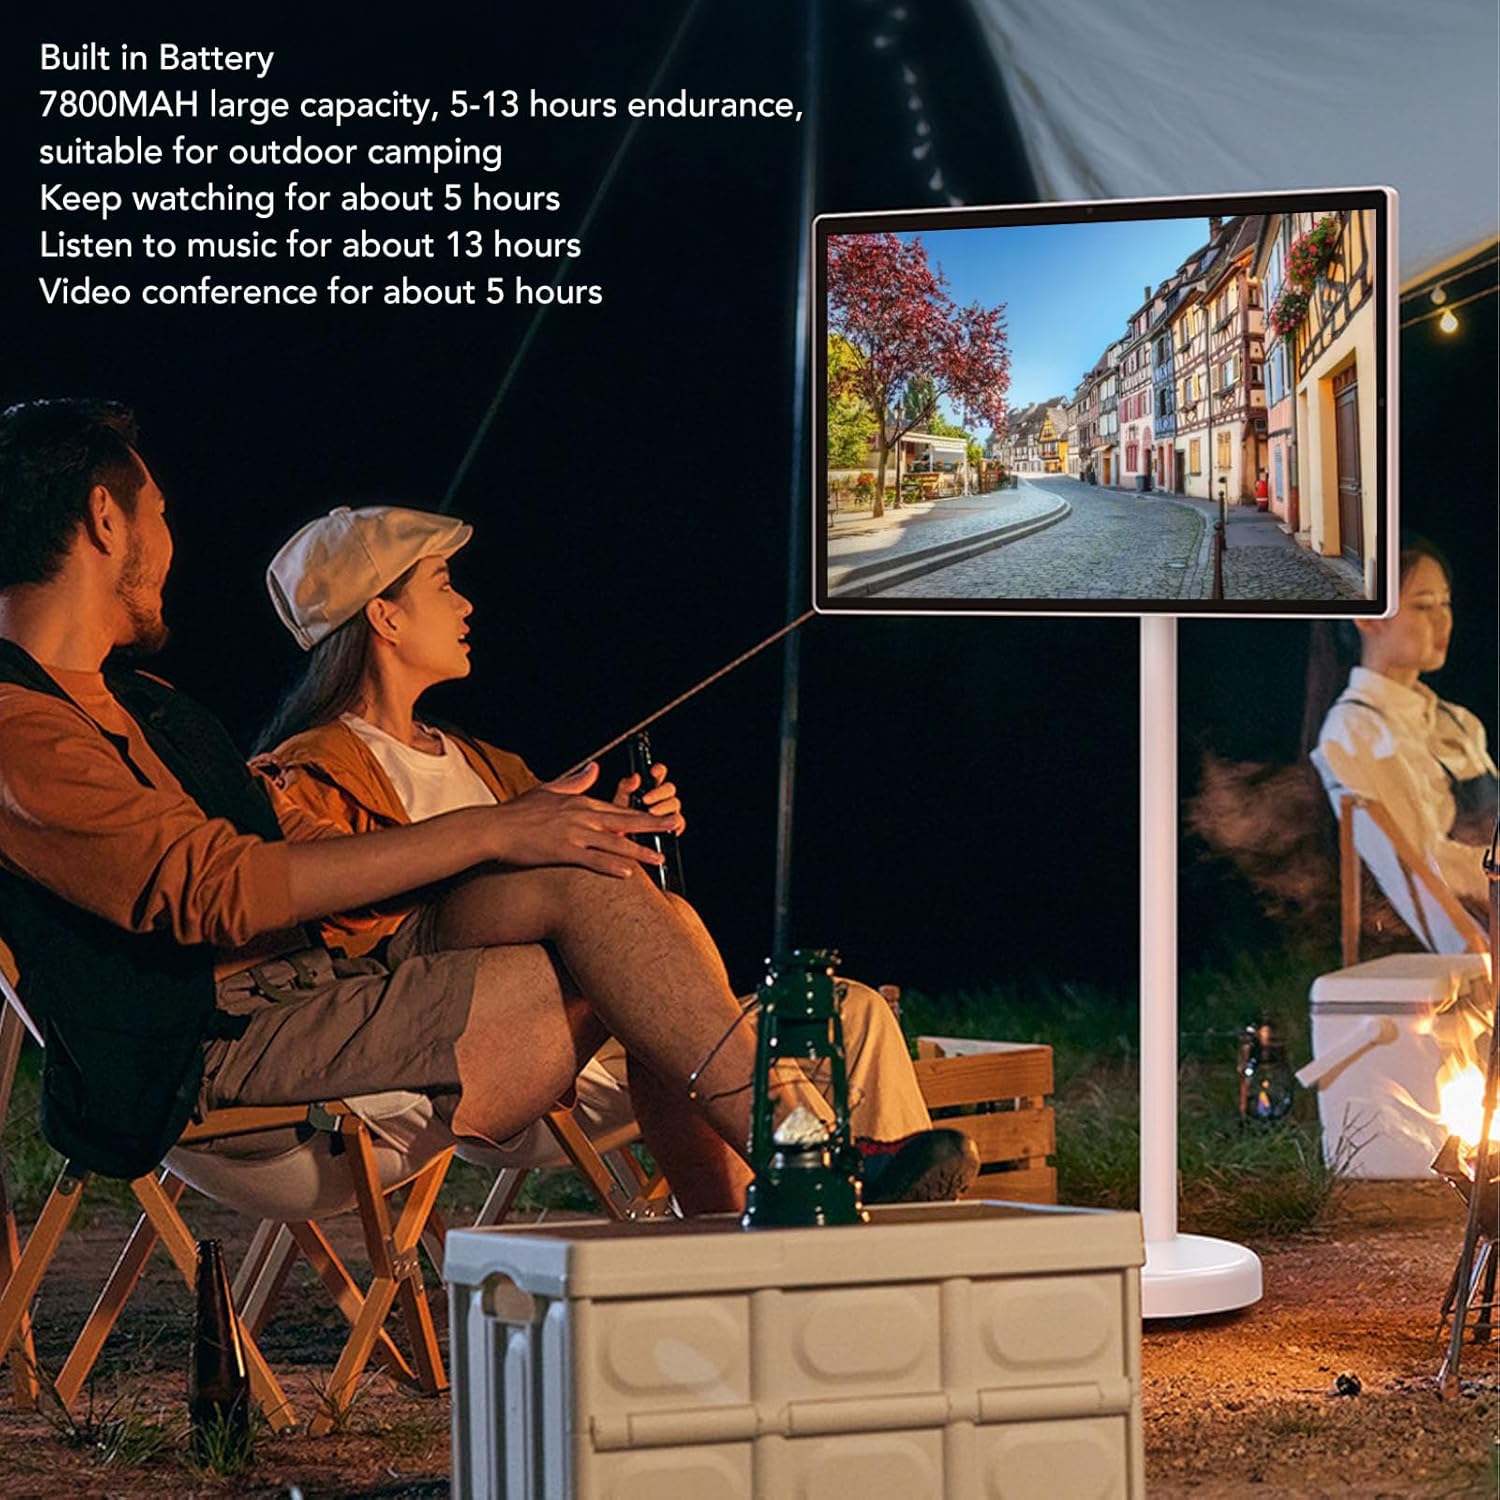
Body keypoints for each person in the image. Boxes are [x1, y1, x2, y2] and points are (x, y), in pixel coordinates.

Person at [254, 503, 974, 1201]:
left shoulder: (483, 761)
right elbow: (325, 899)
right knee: (620, 913)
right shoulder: (307, 771)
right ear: (385, 616)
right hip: (468, 1026)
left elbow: (596, 899)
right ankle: (794, 1161)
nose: (467, 606)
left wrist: (613, 827)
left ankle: (880, 1251)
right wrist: (515, 839)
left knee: (847, 1012)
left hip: (584, 1018)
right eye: (444, 587)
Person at [1307, 538, 1496, 932]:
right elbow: (1424, 867)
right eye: (1424, 606)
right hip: (1451, 952)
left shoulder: (1458, 722)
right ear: (1368, 617)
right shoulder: (1353, 733)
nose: (1443, 621)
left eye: (1446, 603)